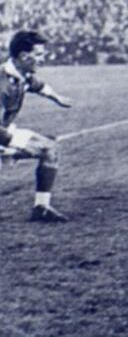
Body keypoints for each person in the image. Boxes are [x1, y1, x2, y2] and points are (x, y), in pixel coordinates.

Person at [0, 31, 73, 222]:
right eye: (39, 55)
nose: (43, 58)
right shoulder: (2, 84)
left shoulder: (20, 73)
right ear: (24, 56)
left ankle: (41, 207)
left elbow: (38, 86)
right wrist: (13, 147)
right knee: (39, 148)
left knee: (49, 149)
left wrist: (57, 98)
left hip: (4, 130)